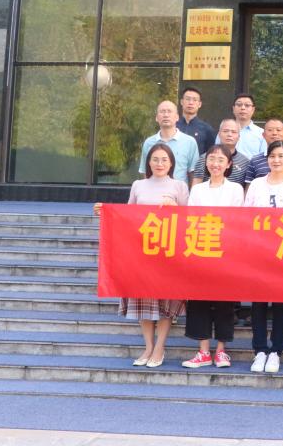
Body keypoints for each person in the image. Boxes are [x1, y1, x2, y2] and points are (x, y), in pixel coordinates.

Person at [94, 143, 188, 368]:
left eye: (164, 160)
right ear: (148, 162)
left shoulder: (179, 186)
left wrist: (175, 206)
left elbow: (189, 218)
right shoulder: (138, 185)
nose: (159, 164)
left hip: (167, 253)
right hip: (141, 254)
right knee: (143, 302)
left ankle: (159, 347)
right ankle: (148, 347)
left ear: (171, 163)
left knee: (165, 302)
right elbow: (127, 215)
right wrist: (105, 211)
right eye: (155, 159)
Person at [243, 140, 283, 374]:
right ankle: (260, 349)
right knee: (258, 302)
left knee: (281, 303)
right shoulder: (257, 184)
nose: (276, 160)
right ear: (267, 159)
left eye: (281, 156)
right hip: (259, 251)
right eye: (272, 156)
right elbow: (246, 215)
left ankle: (276, 350)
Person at [182, 145, 244, 369]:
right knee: (199, 300)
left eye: (220, 160)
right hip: (201, 250)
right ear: (206, 162)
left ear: (228, 164)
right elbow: (191, 218)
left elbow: (237, 219)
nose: (215, 164)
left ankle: (221, 351)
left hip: (227, 252)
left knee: (224, 302)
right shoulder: (198, 189)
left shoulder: (236, 189)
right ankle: (203, 351)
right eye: (212, 159)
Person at [138, 100, 199, 186]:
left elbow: (193, 172)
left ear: (177, 117)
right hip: (154, 191)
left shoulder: (189, 142)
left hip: (179, 192)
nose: (166, 115)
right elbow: (145, 172)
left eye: (169, 111)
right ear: (156, 118)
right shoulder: (149, 142)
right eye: (162, 111)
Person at [191, 118, 250, 187]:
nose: (229, 134)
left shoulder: (245, 162)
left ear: (239, 136)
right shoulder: (205, 158)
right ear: (219, 134)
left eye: (233, 132)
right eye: (225, 131)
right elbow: (196, 185)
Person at [177, 86, 216, 155]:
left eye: (195, 100)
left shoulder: (206, 129)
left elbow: (210, 153)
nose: (191, 103)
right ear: (181, 102)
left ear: (200, 104)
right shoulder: (173, 126)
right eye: (188, 99)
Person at [230, 93, 267, 159]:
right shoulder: (224, 131)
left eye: (247, 105)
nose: (243, 108)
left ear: (253, 109)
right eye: (239, 105)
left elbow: (263, 159)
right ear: (233, 108)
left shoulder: (262, 134)